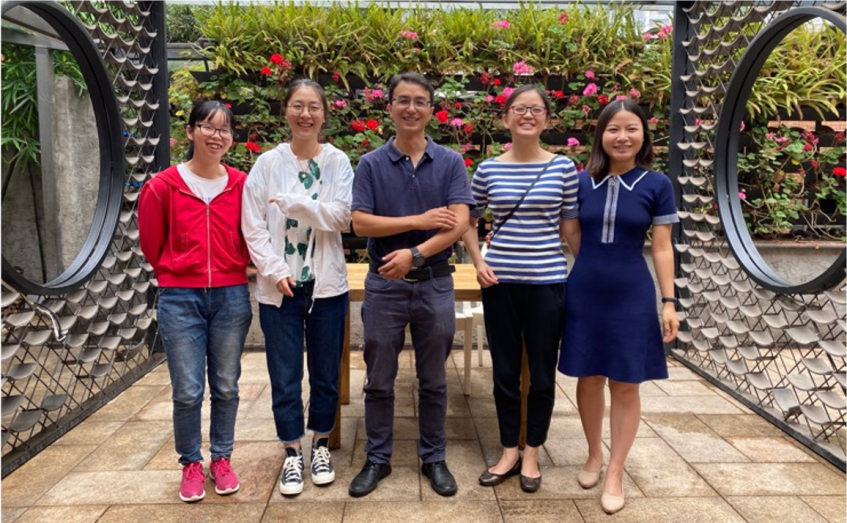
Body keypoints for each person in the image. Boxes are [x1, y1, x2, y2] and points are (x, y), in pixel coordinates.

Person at [348, 72, 475, 498]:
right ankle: (377, 458)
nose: (411, 108)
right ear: (389, 107)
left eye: (420, 101)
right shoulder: (371, 163)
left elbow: (458, 223)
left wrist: (414, 254)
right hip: (385, 285)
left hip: (434, 283)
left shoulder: (451, 162)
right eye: (402, 100)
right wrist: (419, 221)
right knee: (379, 378)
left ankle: (434, 458)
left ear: (430, 110)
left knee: (434, 378)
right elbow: (361, 223)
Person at [559, 99, 680, 514]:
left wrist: (669, 302)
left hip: (632, 293)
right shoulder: (580, 182)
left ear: (644, 134)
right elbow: (572, 233)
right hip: (585, 290)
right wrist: (591, 267)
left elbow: (662, 248)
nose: (622, 137)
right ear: (601, 135)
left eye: (631, 128)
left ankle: (615, 471)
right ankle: (594, 454)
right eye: (614, 129)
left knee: (626, 382)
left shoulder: (657, 184)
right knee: (589, 376)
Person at [460, 85, 580, 493]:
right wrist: (478, 262)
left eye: (536, 109)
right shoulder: (488, 169)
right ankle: (509, 450)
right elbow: (467, 220)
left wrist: (586, 271)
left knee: (542, 375)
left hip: (547, 283)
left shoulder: (563, 168)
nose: (528, 115)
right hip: (500, 284)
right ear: (506, 117)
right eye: (519, 108)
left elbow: (570, 227)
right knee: (505, 373)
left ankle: (533, 452)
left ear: (547, 119)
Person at [242, 79, 353, 496]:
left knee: (325, 374)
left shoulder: (338, 161)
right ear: (286, 110)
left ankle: (321, 444)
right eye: (297, 106)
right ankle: (292, 451)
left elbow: (342, 217)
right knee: (284, 375)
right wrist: (273, 270)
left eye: (313, 107)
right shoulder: (267, 164)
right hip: (280, 289)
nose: (305, 114)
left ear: (324, 114)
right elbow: (252, 226)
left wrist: (294, 204)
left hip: (326, 288)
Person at [138, 101, 252, 503]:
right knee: (187, 389)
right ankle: (190, 463)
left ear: (232, 138)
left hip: (231, 295)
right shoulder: (163, 186)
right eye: (208, 126)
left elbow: (253, 234)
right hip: (180, 298)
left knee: (226, 384)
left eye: (225, 130)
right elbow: (152, 244)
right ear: (190, 132)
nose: (216, 136)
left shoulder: (241, 184)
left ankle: (222, 458)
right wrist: (178, 272)